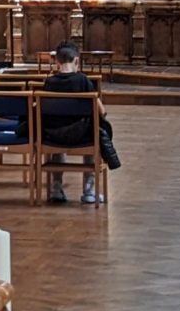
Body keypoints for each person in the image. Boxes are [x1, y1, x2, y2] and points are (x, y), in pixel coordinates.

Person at [39, 42, 120, 203]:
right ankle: (88, 191)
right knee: (92, 132)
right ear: (77, 61)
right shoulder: (82, 81)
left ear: (57, 62)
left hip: (53, 135)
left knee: (59, 128)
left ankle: (56, 189)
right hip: (81, 136)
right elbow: (101, 111)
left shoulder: (49, 82)